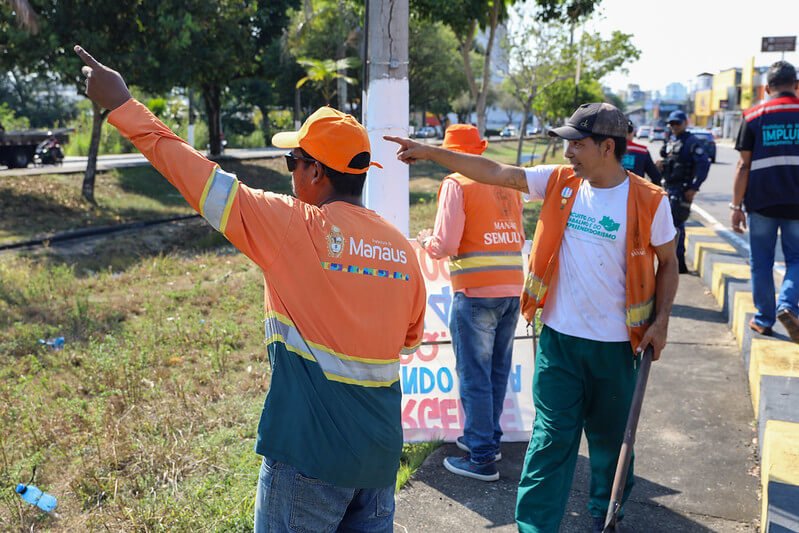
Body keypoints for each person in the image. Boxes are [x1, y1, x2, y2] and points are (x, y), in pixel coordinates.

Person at [74, 45, 427, 532]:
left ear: (316, 172)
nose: (291, 172)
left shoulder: (290, 225)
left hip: (308, 460)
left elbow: (196, 175)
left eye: (292, 161)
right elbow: (409, 340)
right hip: (379, 461)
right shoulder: (402, 251)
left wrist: (122, 106)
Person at [387, 102, 679, 533]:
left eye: (577, 145)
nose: (568, 154)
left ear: (607, 147)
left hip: (618, 347)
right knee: (548, 442)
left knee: (611, 441)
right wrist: (431, 152)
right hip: (559, 343)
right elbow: (495, 171)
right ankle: (535, 527)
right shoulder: (561, 183)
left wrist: (662, 321)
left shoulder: (650, 201)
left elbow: (669, 263)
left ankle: (605, 515)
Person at [417, 124, 524, 482]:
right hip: (512, 290)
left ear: (450, 152)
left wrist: (426, 240)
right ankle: (486, 441)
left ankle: (480, 458)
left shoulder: (457, 183)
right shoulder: (506, 181)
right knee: (496, 372)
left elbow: (446, 244)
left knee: (475, 376)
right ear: (480, 148)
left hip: (477, 293)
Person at [731, 60, 799, 342]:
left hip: (761, 204)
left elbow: (743, 166)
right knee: (797, 259)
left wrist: (735, 207)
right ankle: (788, 305)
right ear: (796, 86)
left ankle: (763, 320)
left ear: (767, 88)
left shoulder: (753, 115)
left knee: (761, 262)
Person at [657, 110, 711, 274]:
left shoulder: (691, 142)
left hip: (680, 190)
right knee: (665, 226)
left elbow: (704, 165)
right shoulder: (671, 140)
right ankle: (669, 262)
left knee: (676, 225)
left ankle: (678, 263)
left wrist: (694, 187)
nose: (674, 126)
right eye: (671, 123)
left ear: (685, 123)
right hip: (667, 187)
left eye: (677, 123)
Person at [623, 120, 661, 185]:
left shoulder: (607, 150)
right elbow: (656, 177)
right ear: (632, 132)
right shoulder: (642, 151)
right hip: (636, 192)